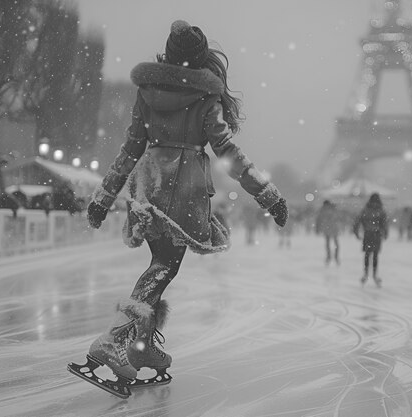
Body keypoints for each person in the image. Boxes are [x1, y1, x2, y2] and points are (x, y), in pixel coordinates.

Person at [68, 21, 288, 399]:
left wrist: (104, 197)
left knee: (161, 263)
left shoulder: (148, 91)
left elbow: (131, 148)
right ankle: (117, 338)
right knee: (165, 266)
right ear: (202, 59)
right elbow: (229, 154)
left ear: (168, 54)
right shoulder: (206, 98)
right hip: (183, 188)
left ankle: (140, 345)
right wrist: (267, 195)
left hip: (149, 182)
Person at [353, 193, 388, 287]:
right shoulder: (380, 210)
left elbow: (358, 220)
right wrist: (385, 232)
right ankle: (375, 274)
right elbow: (384, 223)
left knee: (367, 255)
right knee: (375, 255)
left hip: (368, 234)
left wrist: (356, 231)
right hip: (376, 235)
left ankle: (365, 274)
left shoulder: (366, 210)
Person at [315, 200, 341, 265]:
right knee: (332, 244)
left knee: (331, 244)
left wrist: (318, 227)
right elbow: (319, 219)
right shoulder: (332, 209)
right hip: (330, 228)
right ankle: (332, 256)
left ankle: (332, 256)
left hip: (329, 228)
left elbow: (319, 219)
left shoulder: (324, 210)